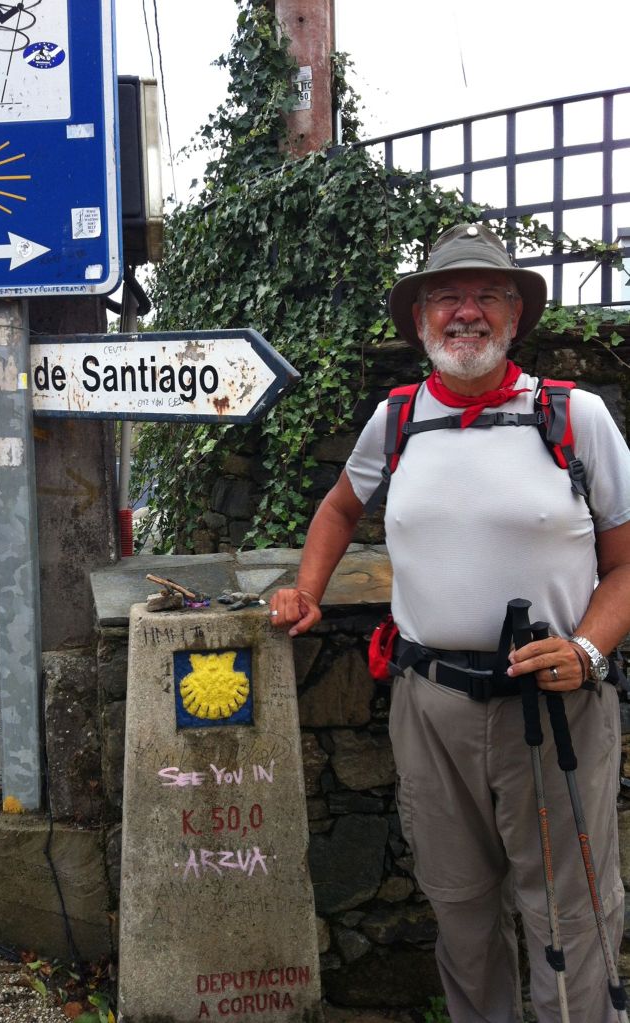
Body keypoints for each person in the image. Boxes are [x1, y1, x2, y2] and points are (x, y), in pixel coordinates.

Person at [269, 224, 630, 1022]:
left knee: (569, 913)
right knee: (460, 907)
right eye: (446, 297)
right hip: (429, 705)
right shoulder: (398, 418)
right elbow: (339, 507)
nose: (466, 312)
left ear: (514, 315)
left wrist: (587, 648)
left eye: (487, 295)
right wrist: (307, 590)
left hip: (556, 708)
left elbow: (627, 562)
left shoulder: (574, 416)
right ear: (421, 317)